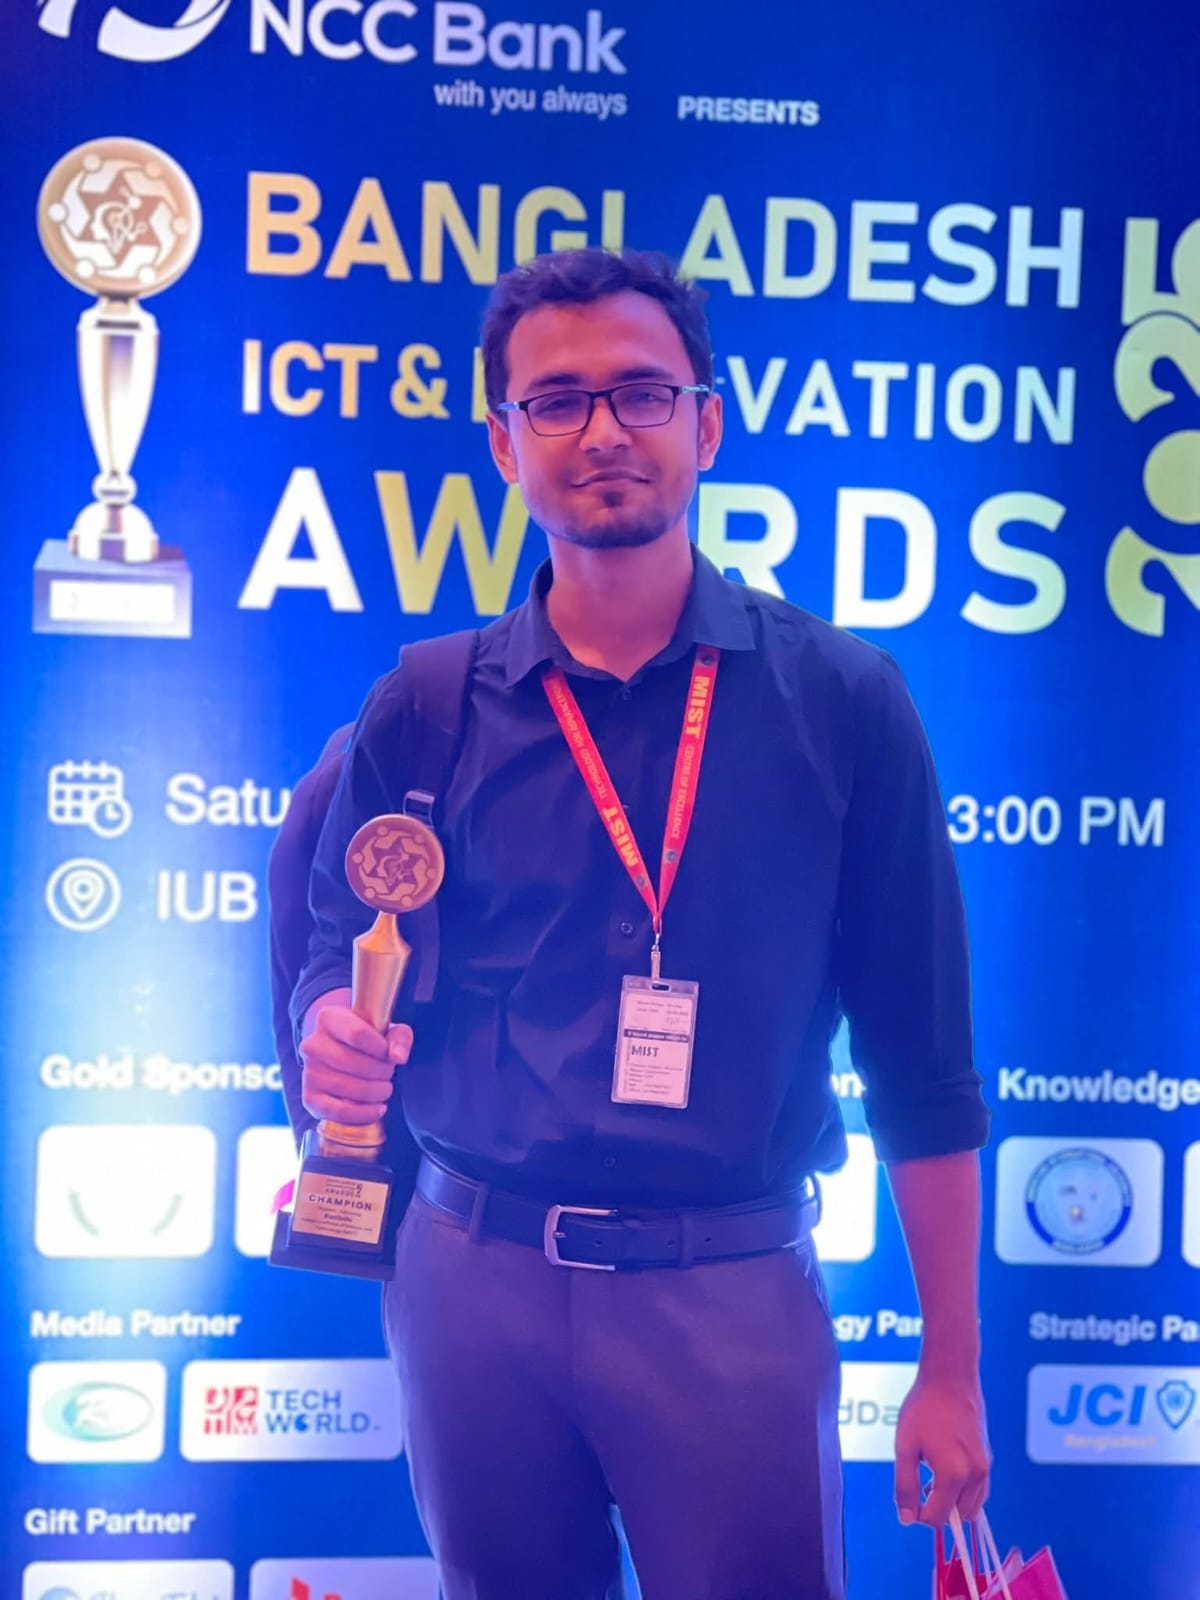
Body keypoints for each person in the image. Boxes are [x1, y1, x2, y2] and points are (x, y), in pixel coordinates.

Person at [290, 248, 992, 1600]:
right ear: (504, 443)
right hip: (469, 1283)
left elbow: (925, 1063)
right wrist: (330, 1021)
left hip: (726, 1289)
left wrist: (951, 1369)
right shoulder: (426, 706)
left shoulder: (843, 702)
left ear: (706, 425)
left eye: (642, 393)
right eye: (556, 401)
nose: (603, 430)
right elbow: (336, 940)